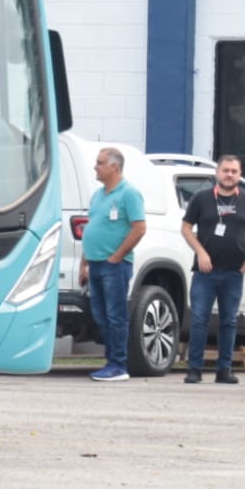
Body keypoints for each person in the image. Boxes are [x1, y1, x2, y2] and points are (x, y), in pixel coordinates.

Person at [179, 156, 245, 385]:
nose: (229, 175)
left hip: (234, 272)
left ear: (240, 174)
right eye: (225, 170)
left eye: (234, 171)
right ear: (217, 173)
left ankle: (224, 369)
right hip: (205, 272)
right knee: (199, 320)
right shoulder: (202, 198)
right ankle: (194, 369)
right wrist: (200, 252)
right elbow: (186, 228)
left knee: (229, 321)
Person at [78, 147, 147, 382]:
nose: (95, 167)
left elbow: (139, 228)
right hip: (96, 264)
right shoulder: (98, 195)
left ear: (114, 167)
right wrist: (83, 264)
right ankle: (110, 361)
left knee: (116, 315)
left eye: (99, 163)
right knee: (100, 315)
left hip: (114, 266)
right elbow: (91, 229)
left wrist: (118, 256)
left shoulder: (129, 194)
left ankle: (119, 364)